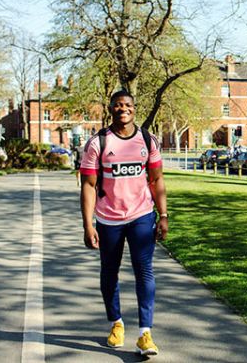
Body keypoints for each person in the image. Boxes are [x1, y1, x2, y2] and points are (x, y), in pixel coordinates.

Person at [79, 90, 168, 356]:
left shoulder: (147, 140)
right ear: (110, 109)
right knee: (110, 272)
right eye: (118, 105)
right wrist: (88, 224)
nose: (123, 109)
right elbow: (88, 185)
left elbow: (156, 180)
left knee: (145, 271)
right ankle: (116, 323)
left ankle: (145, 334)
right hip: (109, 219)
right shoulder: (98, 143)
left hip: (141, 216)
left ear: (134, 108)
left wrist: (163, 215)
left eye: (128, 105)